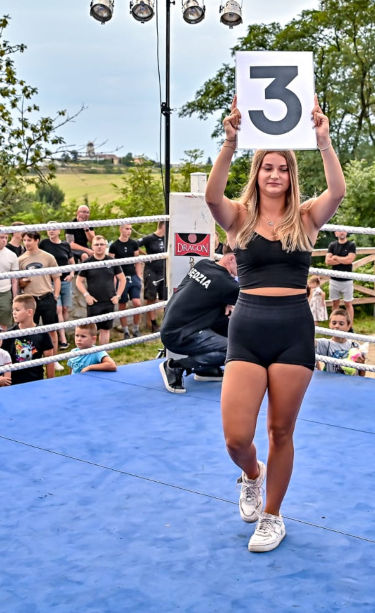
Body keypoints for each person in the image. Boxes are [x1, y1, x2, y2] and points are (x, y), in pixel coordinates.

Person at [204, 94, 344, 553]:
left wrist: (323, 141)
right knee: (236, 438)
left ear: (291, 175)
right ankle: (252, 474)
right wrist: (230, 141)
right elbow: (211, 196)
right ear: (257, 172)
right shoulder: (239, 218)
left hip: (292, 331)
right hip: (247, 329)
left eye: (283, 168)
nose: (275, 174)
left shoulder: (306, 218)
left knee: (280, 431)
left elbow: (337, 192)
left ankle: (273, 515)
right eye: (268, 167)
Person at [158, 248, 240, 392]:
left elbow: (206, 292)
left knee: (232, 326)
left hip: (174, 326)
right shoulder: (226, 284)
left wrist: (226, 301)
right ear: (231, 259)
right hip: (180, 334)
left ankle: (205, 368)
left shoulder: (203, 264)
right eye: (244, 264)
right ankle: (176, 367)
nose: (246, 269)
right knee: (236, 349)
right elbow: (255, 301)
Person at [76, 235, 125, 345]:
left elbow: (122, 279)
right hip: (93, 302)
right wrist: (86, 295)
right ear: (92, 246)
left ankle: (103, 352)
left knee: (105, 329)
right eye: (96, 244)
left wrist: (118, 296)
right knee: (91, 330)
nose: (99, 247)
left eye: (102, 244)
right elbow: (78, 281)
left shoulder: (112, 261)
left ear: (106, 246)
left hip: (109, 301)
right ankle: (91, 352)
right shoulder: (87, 262)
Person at [1, 294, 56, 386]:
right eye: (13, 309)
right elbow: (2, 360)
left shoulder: (42, 333)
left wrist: (51, 383)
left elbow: (49, 360)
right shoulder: (9, 334)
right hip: (14, 384)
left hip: (36, 382)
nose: (14, 313)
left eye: (17, 310)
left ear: (29, 312)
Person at [40, 224, 75, 350]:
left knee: (65, 308)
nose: (51, 231)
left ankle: (62, 334)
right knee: (58, 308)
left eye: (54, 229)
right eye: (49, 229)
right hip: (51, 282)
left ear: (59, 231)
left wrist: (72, 274)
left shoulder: (65, 245)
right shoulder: (44, 244)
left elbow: (72, 262)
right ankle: (63, 340)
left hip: (65, 280)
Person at [16, 232, 60, 328]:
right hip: (30, 299)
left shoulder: (48, 257)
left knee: (52, 328)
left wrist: (56, 296)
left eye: (29, 240)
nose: (26, 243)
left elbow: (56, 278)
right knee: (30, 328)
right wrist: (22, 283)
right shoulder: (20, 260)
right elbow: (16, 281)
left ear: (37, 240)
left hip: (46, 296)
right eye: (24, 240)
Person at [108, 223, 144, 338]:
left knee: (137, 303)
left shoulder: (134, 244)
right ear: (121, 229)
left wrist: (139, 276)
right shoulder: (114, 246)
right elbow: (111, 265)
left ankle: (136, 329)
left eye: (130, 229)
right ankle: (126, 331)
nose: (129, 231)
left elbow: (137, 261)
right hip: (120, 277)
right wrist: (114, 280)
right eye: (127, 229)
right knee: (122, 304)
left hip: (132, 276)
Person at [315, 309, 366, 376]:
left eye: (341, 324)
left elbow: (362, 375)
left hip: (351, 381)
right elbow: (308, 342)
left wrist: (362, 364)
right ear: (329, 324)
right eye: (334, 323)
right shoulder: (325, 344)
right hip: (332, 381)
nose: (337, 326)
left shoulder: (355, 346)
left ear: (348, 326)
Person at [138, 221, 168, 332]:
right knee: (151, 297)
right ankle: (153, 324)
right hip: (151, 270)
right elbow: (135, 245)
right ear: (163, 226)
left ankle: (166, 322)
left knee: (166, 297)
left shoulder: (167, 238)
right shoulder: (150, 238)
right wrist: (145, 255)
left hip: (163, 270)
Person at [326, 230, 357, 323]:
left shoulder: (351, 245)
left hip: (347, 280)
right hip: (334, 279)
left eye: (343, 230)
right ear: (336, 233)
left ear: (346, 232)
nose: (341, 233)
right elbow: (328, 261)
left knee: (348, 304)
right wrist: (343, 260)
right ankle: (335, 324)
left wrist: (336, 257)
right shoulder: (332, 245)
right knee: (335, 304)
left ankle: (349, 326)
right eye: (339, 231)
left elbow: (349, 260)